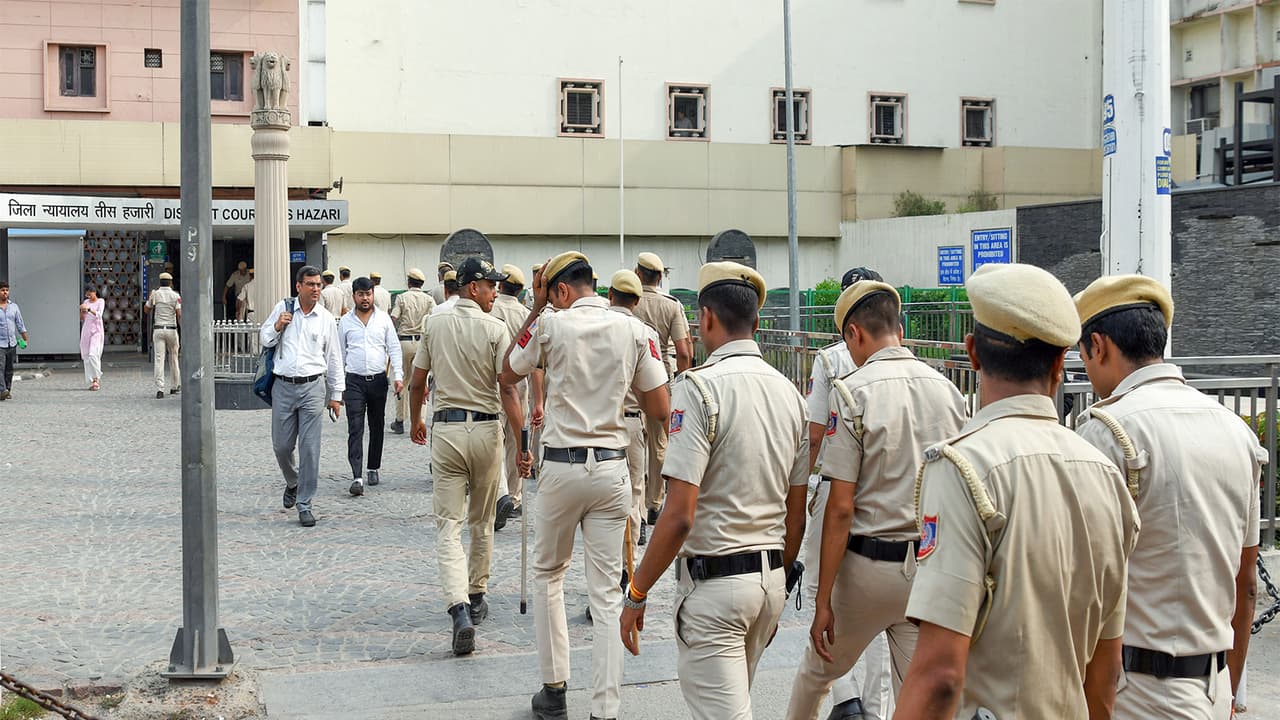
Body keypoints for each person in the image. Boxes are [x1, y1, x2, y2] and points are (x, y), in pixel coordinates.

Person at [895, 263, 1140, 720]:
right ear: (1059, 364)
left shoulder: (963, 468)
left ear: (972, 352)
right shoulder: (1106, 474)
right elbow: (1105, 674)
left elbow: (940, 675)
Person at [618, 261, 808, 720]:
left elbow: (679, 515)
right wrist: (778, 586)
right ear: (756, 323)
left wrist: (637, 591)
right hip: (769, 583)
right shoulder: (791, 394)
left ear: (705, 318)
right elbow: (796, 514)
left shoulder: (698, 388)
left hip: (716, 587)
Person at [1073, 274, 1265, 719]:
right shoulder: (1235, 430)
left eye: (1083, 357)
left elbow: (1081, 585)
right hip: (1214, 687)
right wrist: (1228, 693)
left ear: (1098, 346)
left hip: (1135, 691)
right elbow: (1247, 583)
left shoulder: (1107, 432)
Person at [787, 280, 969, 720]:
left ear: (853, 333)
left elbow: (840, 508)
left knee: (816, 673)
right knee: (917, 695)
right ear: (899, 329)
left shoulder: (852, 392)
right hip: (925, 568)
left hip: (867, 571)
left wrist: (823, 599)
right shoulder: (947, 391)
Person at [501, 251, 669, 720]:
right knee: (607, 593)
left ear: (559, 290)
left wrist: (536, 308)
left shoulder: (550, 324)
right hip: (612, 469)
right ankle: (605, 709)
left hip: (561, 467)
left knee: (549, 575)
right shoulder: (636, 330)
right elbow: (660, 407)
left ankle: (554, 690)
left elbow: (509, 370)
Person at [409, 257, 524, 655]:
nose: (495, 292)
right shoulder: (495, 328)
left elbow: (418, 381)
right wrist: (522, 442)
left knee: (448, 525)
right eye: (490, 285)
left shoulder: (434, 323)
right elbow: (507, 387)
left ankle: (457, 608)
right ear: (473, 287)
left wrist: (416, 419)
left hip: (447, 431)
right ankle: (476, 595)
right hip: (487, 431)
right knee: (482, 520)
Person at [799, 266, 893, 720]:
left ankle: (844, 695)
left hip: (837, 484)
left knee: (826, 588)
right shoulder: (903, 359)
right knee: (880, 614)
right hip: (885, 497)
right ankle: (875, 706)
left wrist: (803, 484)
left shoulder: (829, 358)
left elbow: (816, 433)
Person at [259, 266, 345, 528]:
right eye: (310, 284)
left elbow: (334, 357)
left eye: (318, 284)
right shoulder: (283, 308)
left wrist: (336, 395)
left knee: (309, 448)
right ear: (299, 287)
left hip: (313, 388)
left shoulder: (326, 318)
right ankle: (293, 481)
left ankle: (305, 503)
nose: (316, 289)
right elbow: (264, 338)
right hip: (283, 387)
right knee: (281, 446)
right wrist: (277, 326)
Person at [631, 251, 693, 540]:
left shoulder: (629, 300)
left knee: (632, 437)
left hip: (630, 378)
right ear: (660, 277)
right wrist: (682, 385)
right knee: (659, 443)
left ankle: (635, 508)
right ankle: (654, 503)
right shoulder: (671, 305)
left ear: (638, 273)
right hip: (660, 378)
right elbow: (683, 351)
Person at [605, 269, 660, 561]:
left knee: (604, 497)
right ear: (637, 301)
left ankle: (609, 560)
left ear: (609, 295)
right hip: (632, 419)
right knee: (634, 491)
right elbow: (656, 390)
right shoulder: (645, 333)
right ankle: (629, 565)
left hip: (599, 423)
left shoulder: (594, 327)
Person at [339, 277, 403, 497]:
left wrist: (398, 376)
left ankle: (373, 466)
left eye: (368, 294)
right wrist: (339, 386)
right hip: (353, 381)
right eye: (361, 294)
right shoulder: (345, 322)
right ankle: (356, 476)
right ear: (354, 296)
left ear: (373, 295)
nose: (365, 298)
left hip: (377, 380)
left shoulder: (383, 319)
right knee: (355, 427)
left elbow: (394, 348)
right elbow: (340, 354)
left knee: (377, 425)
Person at [487, 263, 532, 527]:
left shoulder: (490, 309)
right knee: (517, 439)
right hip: (520, 382)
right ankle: (514, 497)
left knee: (495, 439)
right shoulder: (526, 314)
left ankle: (498, 494)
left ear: (500, 285)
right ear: (520, 290)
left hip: (494, 381)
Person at [388, 268, 436, 435]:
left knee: (402, 380)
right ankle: (420, 420)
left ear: (409, 282)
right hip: (422, 343)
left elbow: (394, 318)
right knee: (422, 382)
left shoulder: (402, 297)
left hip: (404, 342)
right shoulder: (429, 300)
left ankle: (400, 420)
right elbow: (434, 318)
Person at [144, 272, 182, 399]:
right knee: (174, 358)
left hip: (158, 329)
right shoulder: (176, 295)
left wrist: (150, 298)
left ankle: (160, 389)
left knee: (159, 359)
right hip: (171, 329)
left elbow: (146, 310)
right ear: (170, 283)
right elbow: (179, 314)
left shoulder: (155, 294)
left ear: (160, 282)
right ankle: (175, 386)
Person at [0, 280, 29, 402]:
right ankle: (2, 390)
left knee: (9, 369)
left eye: (7, 290)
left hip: (12, 343)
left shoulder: (14, 307)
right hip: (0, 344)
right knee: (0, 367)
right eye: (2, 290)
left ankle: (7, 390)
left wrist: (25, 338)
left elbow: (20, 323)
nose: (5, 292)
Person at [79, 286, 105, 391]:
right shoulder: (86, 302)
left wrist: (89, 309)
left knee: (93, 354)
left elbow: (99, 314)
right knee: (86, 356)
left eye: (90, 294)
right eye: (87, 295)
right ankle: (93, 380)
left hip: (97, 331)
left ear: (94, 292)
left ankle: (97, 377)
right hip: (86, 330)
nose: (88, 296)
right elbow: (82, 318)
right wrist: (82, 310)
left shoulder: (100, 301)